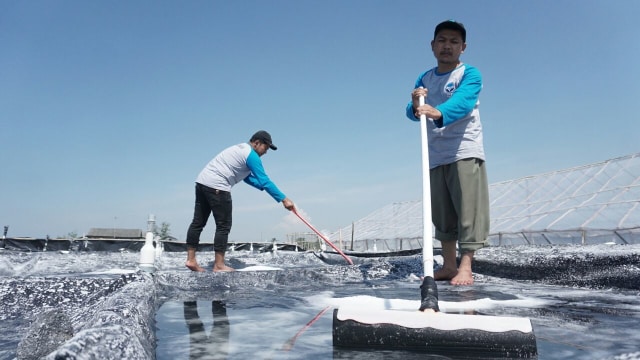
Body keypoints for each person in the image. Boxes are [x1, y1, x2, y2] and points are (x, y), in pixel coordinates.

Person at [405, 20, 489, 286]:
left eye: (454, 42)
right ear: (432, 46)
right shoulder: (425, 78)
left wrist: (438, 111)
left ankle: (466, 267)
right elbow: (412, 113)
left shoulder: (470, 73)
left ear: (463, 47)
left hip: (464, 149)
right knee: (442, 213)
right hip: (435, 154)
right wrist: (415, 102)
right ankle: (449, 265)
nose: (447, 46)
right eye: (442, 40)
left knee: (468, 211)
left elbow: (463, 102)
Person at [185, 130, 295, 272]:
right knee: (223, 225)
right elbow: (265, 180)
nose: (266, 152)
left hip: (202, 182)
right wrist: (283, 199)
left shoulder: (240, 149)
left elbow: (247, 177)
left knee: (198, 222)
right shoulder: (252, 155)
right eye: (265, 148)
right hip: (218, 186)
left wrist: (261, 187)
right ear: (256, 143)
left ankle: (191, 260)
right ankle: (219, 265)